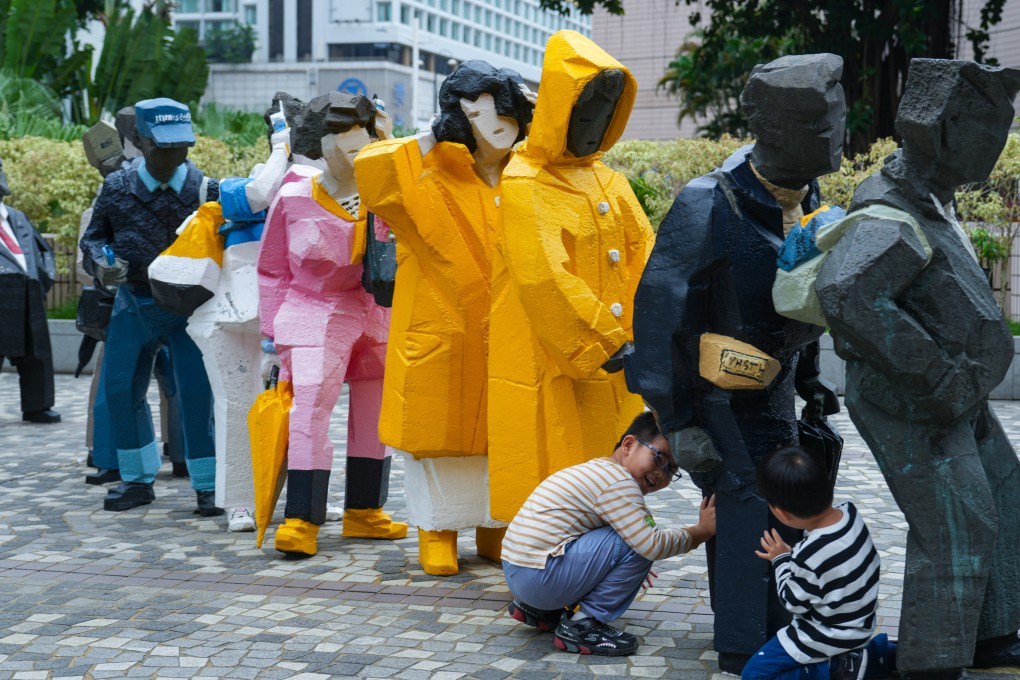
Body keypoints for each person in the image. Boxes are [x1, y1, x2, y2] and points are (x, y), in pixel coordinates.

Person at [625, 53, 845, 673]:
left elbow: (805, 292)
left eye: (838, 118)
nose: (834, 136)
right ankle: (744, 643)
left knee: (781, 497)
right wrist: (679, 418)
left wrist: (809, 378)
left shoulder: (809, 196)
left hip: (773, 389)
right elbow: (658, 315)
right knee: (745, 498)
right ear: (771, 127)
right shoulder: (709, 203)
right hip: (714, 395)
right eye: (817, 122)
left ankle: (770, 622)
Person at [815, 59, 1020, 678]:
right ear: (947, 126)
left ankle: (990, 631)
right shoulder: (889, 208)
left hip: (958, 396)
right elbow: (846, 292)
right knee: (958, 523)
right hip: (913, 399)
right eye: (991, 130)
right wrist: (935, 375)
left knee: (1005, 497)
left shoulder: (932, 199)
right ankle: (933, 661)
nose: (999, 145)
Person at [355, 61, 534, 575]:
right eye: (480, 117)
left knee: (502, 438)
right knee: (441, 443)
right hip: (442, 333)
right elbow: (375, 174)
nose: (499, 130)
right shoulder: (426, 176)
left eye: (506, 118)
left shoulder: (527, 180)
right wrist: (433, 135)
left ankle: (497, 526)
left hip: (507, 336)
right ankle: (437, 531)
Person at [487, 30, 654, 525]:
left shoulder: (610, 179)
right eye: (586, 111)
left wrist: (654, 325)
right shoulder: (524, 183)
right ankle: (544, 563)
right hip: (556, 358)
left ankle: (607, 554)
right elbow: (544, 276)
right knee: (554, 467)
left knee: (613, 471)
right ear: (558, 111)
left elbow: (646, 254)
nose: (597, 125)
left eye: (608, 113)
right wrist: (604, 341)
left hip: (619, 357)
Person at [257, 92, 406, 556]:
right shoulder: (295, 195)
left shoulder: (386, 195)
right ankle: (302, 517)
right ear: (318, 144)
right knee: (309, 413)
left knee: (374, 416)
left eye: (361, 136)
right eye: (341, 137)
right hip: (313, 312)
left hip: (375, 312)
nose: (353, 149)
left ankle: (365, 510)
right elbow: (271, 266)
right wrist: (272, 328)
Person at [80, 97, 220, 515]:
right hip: (133, 304)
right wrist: (101, 261)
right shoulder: (117, 188)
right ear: (139, 140)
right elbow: (94, 237)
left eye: (182, 146)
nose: (174, 156)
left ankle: (208, 484)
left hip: (189, 309)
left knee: (197, 394)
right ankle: (136, 479)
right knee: (122, 390)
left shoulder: (203, 189)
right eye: (162, 146)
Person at [501, 411, 716, 656]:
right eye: (659, 458)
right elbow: (651, 545)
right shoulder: (618, 483)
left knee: (633, 538)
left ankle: (540, 610)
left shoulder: (598, 470)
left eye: (671, 471)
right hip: (540, 577)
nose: (661, 473)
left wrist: (622, 569)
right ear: (629, 444)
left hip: (518, 572)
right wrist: (701, 531)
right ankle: (581, 624)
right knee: (638, 542)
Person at [745, 446, 894, 680]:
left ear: (782, 514)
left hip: (823, 637)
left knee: (755, 674)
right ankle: (871, 657)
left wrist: (781, 558)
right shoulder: (851, 514)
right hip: (859, 626)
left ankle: (837, 669)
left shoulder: (810, 553)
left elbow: (793, 602)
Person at [0, 155, 60, 425]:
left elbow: (43, 251)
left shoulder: (17, 217)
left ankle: (38, 405)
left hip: (29, 299)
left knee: (37, 355)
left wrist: (44, 276)